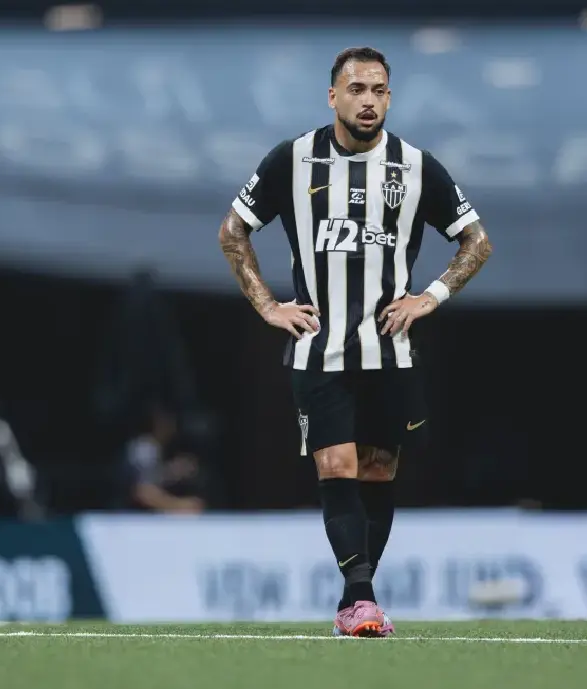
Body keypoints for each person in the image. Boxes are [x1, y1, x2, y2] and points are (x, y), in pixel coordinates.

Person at [218, 46, 493, 637]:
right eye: (357, 89)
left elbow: (476, 241)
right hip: (319, 346)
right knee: (335, 461)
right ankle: (359, 600)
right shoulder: (293, 159)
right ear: (333, 96)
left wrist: (431, 297)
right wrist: (267, 305)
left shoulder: (415, 167)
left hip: (388, 347)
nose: (368, 101)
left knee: (375, 470)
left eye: (379, 91)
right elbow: (233, 230)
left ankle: (356, 597)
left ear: (389, 97)